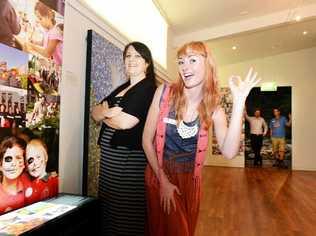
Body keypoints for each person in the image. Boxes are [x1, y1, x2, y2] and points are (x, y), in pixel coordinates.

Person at [143, 41, 260, 236]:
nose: (185, 67)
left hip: (190, 182)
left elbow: (229, 152)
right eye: (181, 62)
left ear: (208, 64)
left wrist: (239, 102)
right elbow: (147, 140)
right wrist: (162, 180)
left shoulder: (215, 109)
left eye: (192, 60)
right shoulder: (163, 93)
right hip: (159, 174)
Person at [91, 42, 157, 235]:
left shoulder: (148, 89)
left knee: (127, 215)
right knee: (109, 211)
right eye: (128, 56)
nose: (131, 60)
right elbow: (95, 112)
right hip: (110, 164)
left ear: (147, 63)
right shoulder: (123, 87)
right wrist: (108, 113)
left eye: (137, 56)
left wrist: (105, 113)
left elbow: (125, 123)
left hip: (128, 163)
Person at [25, 1, 63, 67]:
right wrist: (34, 42)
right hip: (52, 64)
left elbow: (47, 53)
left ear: (49, 16)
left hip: (59, 66)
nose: (39, 21)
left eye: (40, 18)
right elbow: (43, 42)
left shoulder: (56, 32)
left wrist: (32, 46)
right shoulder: (47, 30)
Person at [0, 136, 29, 214]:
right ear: (0, 165)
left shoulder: (27, 180)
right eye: (8, 159)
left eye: (18, 158)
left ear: (24, 165)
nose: (13, 163)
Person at [24, 139, 58, 204]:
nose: (35, 163)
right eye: (30, 160)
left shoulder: (54, 181)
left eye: (38, 157)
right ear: (26, 166)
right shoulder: (28, 184)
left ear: (46, 158)